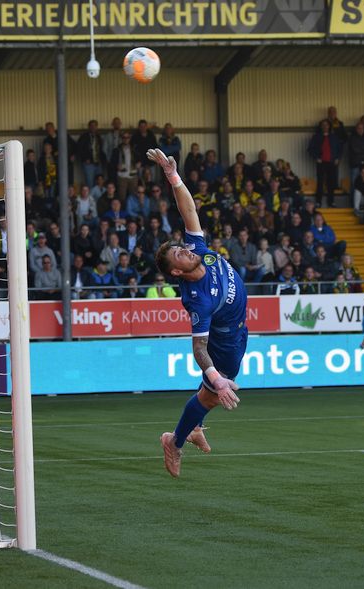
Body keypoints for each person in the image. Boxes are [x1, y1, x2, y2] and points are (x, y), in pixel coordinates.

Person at [147, 147, 247, 478]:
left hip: (239, 330)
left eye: (181, 248)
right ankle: (174, 441)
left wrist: (172, 176)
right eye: (179, 254)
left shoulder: (200, 252)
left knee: (209, 395)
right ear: (176, 272)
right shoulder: (197, 300)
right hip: (225, 343)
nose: (185, 251)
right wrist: (216, 379)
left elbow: (188, 209)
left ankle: (195, 427)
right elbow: (198, 348)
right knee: (210, 395)